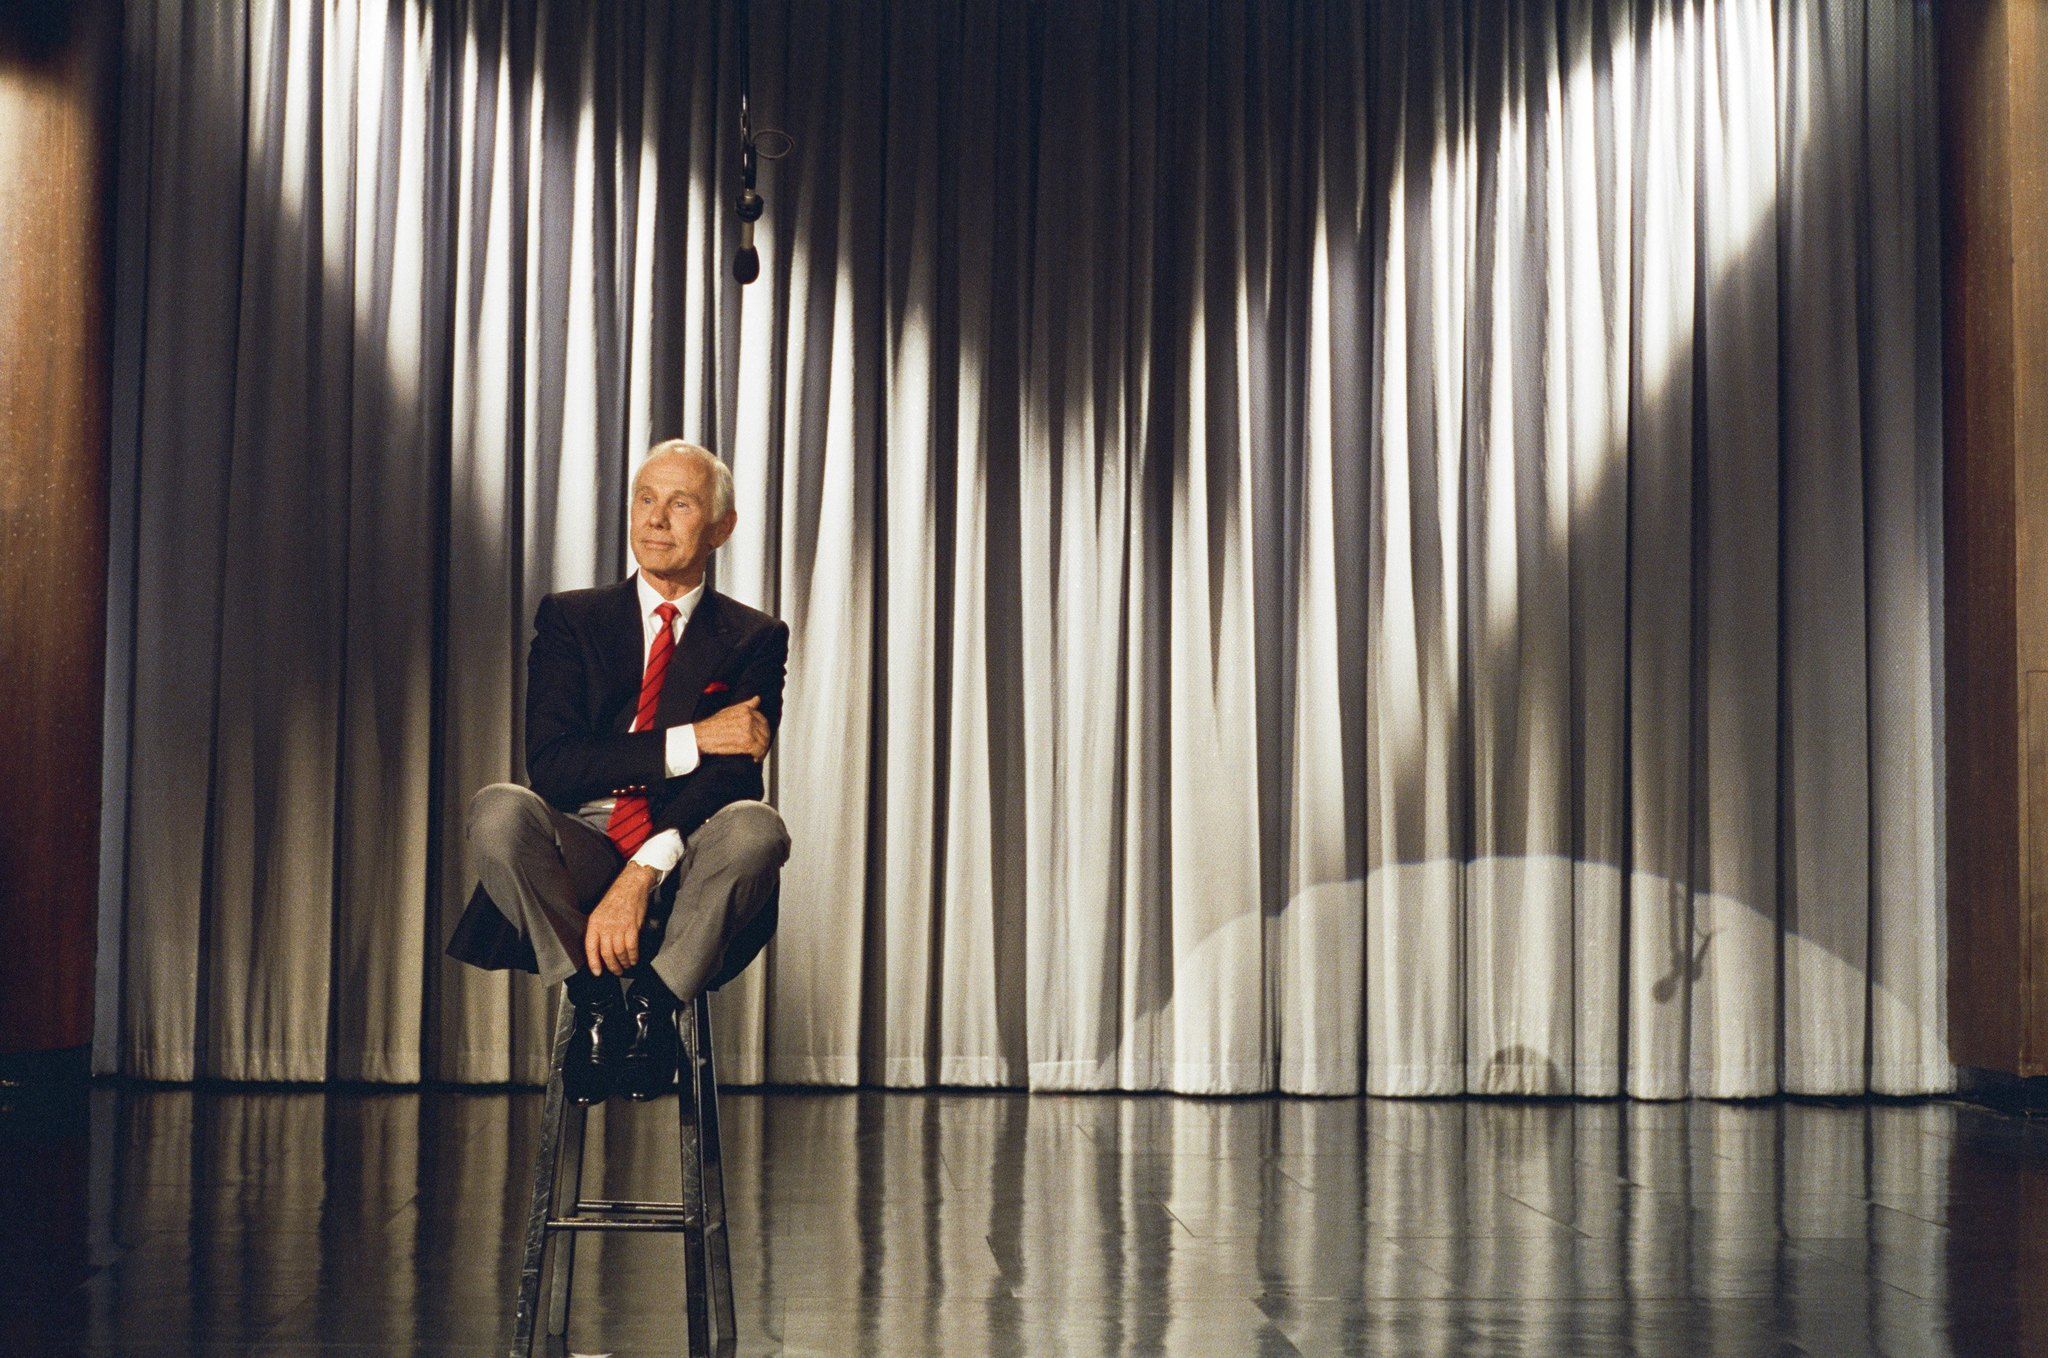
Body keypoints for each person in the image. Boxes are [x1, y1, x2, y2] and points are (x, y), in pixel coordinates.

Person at [446, 441, 790, 1104]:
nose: (656, 519)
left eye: (681, 503)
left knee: (756, 828)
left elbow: (733, 779)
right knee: (499, 810)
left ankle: (653, 1011)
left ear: (721, 528)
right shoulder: (572, 618)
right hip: (580, 845)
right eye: (645, 499)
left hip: (686, 850)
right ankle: (595, 997)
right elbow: (556, 768)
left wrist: (644, 871)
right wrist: (693, 739)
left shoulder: (754, 636)